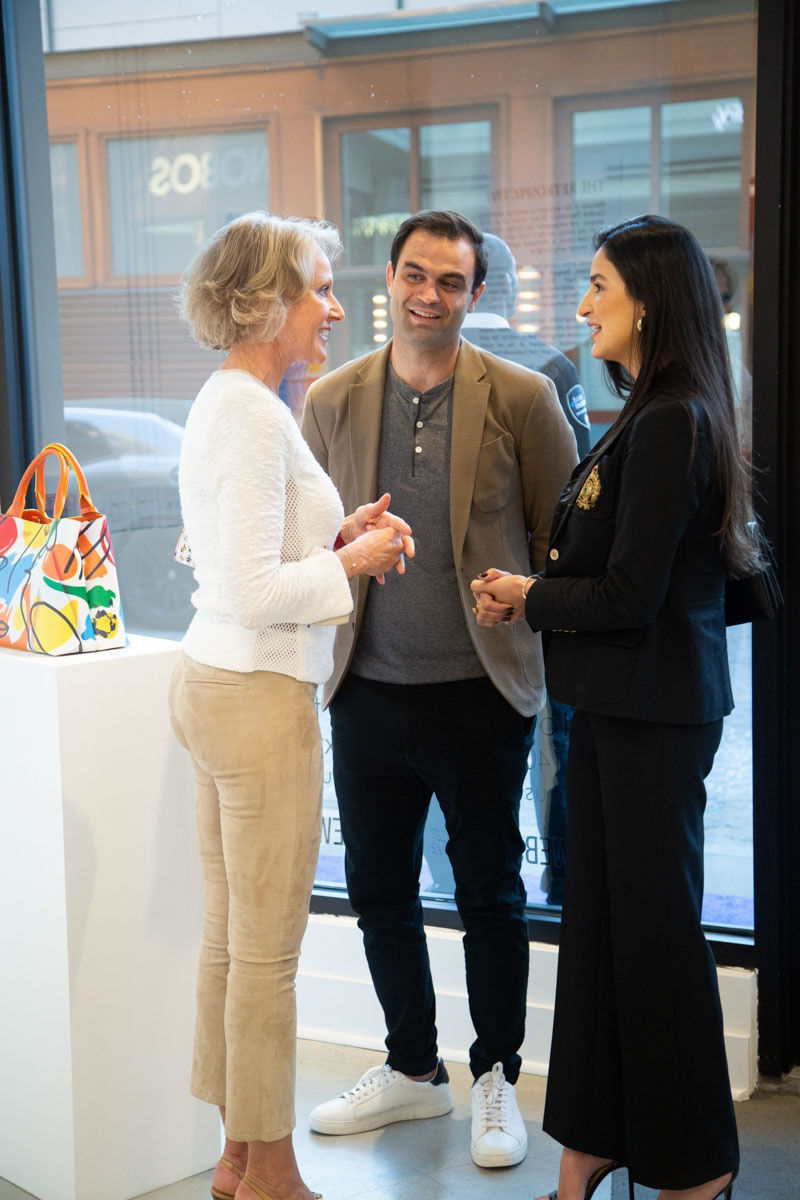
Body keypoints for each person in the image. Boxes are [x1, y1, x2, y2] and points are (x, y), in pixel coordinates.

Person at [471, 214, 759, 1200]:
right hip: (611, 706)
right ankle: (589, 1143)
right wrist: (539, 584)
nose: (580, 303)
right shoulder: (647, 407)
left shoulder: (674, 416)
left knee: (653, 942)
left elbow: (631, 595)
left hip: (652, 717)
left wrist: (523, 595)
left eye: (596, 284)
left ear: (647, 298)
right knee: (598, 931)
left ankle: (692, 1166)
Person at [301, 210, 578, 1169]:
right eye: (413, 275)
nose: (428, 296)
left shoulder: (523, 396)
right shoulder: (333, 398)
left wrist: (527, 601)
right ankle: (414, 1073)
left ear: (476, 293)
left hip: (478, 696)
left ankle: (497, 1075)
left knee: (491, 894)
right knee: (379, 890)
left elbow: (559, 538)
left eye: (449, 282)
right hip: (365, 690)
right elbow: (312, 539)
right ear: (389, 277)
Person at [168, 211, 412, 1200]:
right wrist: (350, 560)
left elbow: (244, 561)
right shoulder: (250, 413)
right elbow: (247, 588)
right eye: (318, 285)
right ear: (265, 299)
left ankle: (235, 1160)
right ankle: (269, 1170)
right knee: (264, 954)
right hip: (256, 696)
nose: (334, 306)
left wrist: (334, 534)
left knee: (231, 939)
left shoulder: (234, 403)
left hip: (220, 686)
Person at [462, 231, 591, 905]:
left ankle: (446, 883)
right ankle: (558, 879)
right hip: (532, 607)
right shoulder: (550, 367)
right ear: (509, 287)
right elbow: (580, 496)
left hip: (443, 615)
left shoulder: (406, 366)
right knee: (549, 755)